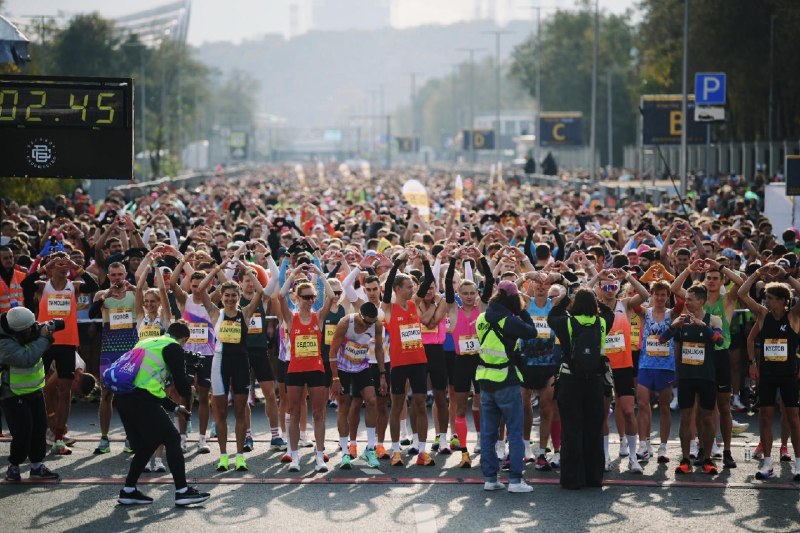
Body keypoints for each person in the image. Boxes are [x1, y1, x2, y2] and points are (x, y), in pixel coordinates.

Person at [113, 321, 210, 506]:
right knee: (173, 439)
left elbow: (148, 384)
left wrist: (175, 408)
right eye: (184, 344)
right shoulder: (173, 347)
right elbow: (182, 387)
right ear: (183, 340)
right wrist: (188, 375)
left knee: (150, 442)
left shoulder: (147, 342)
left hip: (124, 397)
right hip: (141, 400)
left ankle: (128, 490)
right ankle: (182, 492)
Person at [737, 264, 800, 481]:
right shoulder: (763, 316)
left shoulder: (793, 317)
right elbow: (742, 293)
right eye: (766, 298)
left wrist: (787, 276)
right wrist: (758, 272)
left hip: (789, 375)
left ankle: (799, 464)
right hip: (768, 376)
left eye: (771, 298)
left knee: (792, 417)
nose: (767, 301)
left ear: (782, 301)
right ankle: (767, 462)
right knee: (765, 417)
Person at [549, 287, 614, 490]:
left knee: (571, 429)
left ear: (574, 305)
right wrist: (597, 299)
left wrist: (567, 297)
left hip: (570, 380)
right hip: (595, 381)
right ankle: (594, 477)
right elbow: (609, 312)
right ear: (594, 305)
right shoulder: (603, 322)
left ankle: (571, 478)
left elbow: (553, 315)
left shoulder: (566, 322)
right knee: (593, 429)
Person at [476, 279, 538, 494]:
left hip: (484, 381)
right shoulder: (509, 321)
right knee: (514, 431)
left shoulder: (481, 318)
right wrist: (523, 311)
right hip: (506, 381)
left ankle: (490, 479)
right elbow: (531, 332)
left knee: (488, 433)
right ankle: (515, 480)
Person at [660, 284, 725, 475]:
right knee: (686, 418)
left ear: (701, 301)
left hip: (706, 376)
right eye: (685, 299)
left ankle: (707, 459)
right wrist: (674, 326)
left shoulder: (713, 320)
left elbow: (719, 341)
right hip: (687, 377)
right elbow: (663, 340)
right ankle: (686, 459)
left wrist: (703, 327)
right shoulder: (682, 321)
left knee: (706, 417)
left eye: (689, 299)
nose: (685, 302)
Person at [0, 307, 60, 481]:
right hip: (12, 392)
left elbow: (36, 344)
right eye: (28, 329)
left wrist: (44, 333)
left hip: (33, 388)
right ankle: (13, 467)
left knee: (40, 428)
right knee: (23, 431)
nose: (31, 330)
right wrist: (42, 337)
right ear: (16, 330)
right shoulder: (3, 341)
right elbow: (27, 359)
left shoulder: (26, 329)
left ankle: (37, 466)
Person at [328, 301, 387, 469]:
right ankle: (345, 452)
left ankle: (370, 449)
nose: (370, 325)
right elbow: (332, 351)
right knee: (344, 406)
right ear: (359, 315)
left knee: (372, 400)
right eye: (367, 322)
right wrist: (335, 379)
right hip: (342, 368)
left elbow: (379, 349)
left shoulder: (376, 325)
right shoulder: (346, 323)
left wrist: (382, 375)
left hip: (362, 366)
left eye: (372, 322)